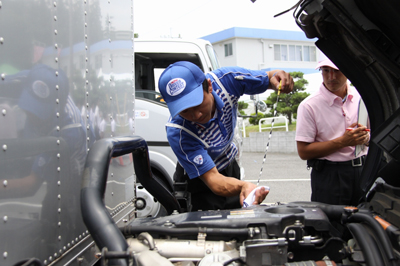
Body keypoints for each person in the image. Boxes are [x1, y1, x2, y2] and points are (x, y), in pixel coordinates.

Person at [158, 61, 293, 211]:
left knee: (237, 220)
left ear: (209, 86)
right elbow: (214, 180)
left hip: (229, 164)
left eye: (197, 104)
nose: (195, 115)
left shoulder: (227, 81)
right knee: (207, 230)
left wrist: (277, 77)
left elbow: (268, 77)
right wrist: (244, 186)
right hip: (200, 181)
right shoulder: (179, 131)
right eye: (185, 111)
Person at [295, 59, 370, 206]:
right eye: (325, 70)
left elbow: (375, 134)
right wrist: (343, 141)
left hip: (363, 169)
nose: (331, 76)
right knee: (331, 225)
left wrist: (366, 137)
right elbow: (303, 152)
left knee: (367, 222)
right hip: (329, 175)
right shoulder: (309, 105)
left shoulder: (362, 97)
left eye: (337, 70)